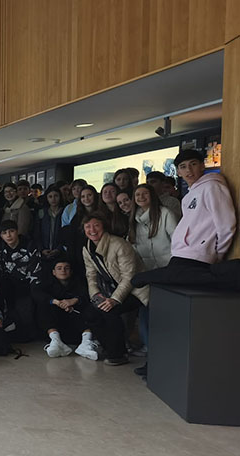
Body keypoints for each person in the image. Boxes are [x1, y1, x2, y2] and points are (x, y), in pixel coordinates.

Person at [82, 213, 149, 366]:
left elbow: (129, 277)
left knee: (110, 311)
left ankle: (118, 354)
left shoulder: (119, 244)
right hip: (109, 290)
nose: (92, 230)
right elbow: (90, 275)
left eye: (96, 225)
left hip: (135, 290)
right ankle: (109, 347)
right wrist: (96, 296)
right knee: (90, 312)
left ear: (104, 227)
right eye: (88, 227)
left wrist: (114, 299)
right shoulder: (87, 248)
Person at [128, 183, 178, 375]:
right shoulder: (134, 219)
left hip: (167, 273)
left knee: (166, 320)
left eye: (144, 194)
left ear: (152, 196)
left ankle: (164, 362)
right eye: (137, 194)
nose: (140, 197)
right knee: (146, 319)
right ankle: (153, 360)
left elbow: (177, 241)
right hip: (147, 275)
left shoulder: (166, 214)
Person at [169, 149, 236, 267]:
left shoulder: (212, 186)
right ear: (178, 172)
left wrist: (219, 253)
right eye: (183, 167)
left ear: (202, 166)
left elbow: (226, 224)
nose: (188, 170)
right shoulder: (188, 196)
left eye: (193, 164)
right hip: (181, 254)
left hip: (199, 257)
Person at [0, 220, 42, 342]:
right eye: (5, 233)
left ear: (17, 232)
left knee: (26, 316)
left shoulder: (29, 245)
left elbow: (35, 270)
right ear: (1, 235)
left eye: (11, 231)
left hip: (27, 283)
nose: (8, 235)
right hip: (8, 282)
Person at [32, 258, 99, 360]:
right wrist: (56, 302)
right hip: (57, 326)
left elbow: (87, 295)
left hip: (76, 326)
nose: (63, 271)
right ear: (54, 272)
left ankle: (86, 343)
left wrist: (74, 300)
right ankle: (55, 342)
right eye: (59, 268)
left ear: (71, 271)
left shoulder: (79, 282)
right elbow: (37, 294)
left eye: (66, 268)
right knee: (43, 306)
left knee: (89, 309)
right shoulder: (47, 284)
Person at [33, 186, 64, 263]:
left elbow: (67, 233)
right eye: (50, 196)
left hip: (61, 251)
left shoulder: (64, 212)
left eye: (56, 196)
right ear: (46, 198)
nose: (53, 199)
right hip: (44, 251)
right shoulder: (41, 212)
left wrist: (59, 249)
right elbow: (37, 233)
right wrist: (41, 249)